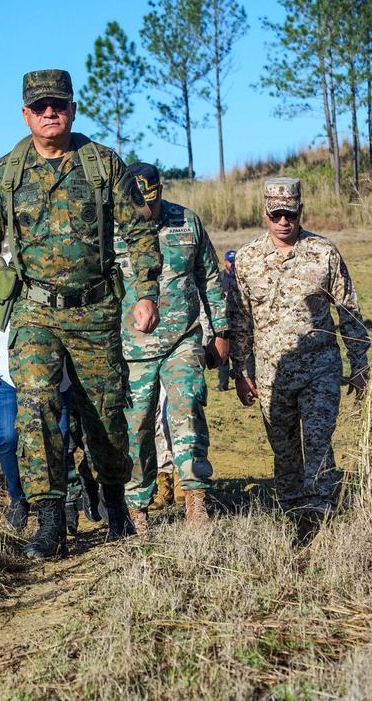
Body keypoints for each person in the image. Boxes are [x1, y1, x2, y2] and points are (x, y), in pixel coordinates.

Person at [0, 69, 161, 560]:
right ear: (26, 114)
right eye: (40, 106)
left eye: (59, 104)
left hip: (95, 310)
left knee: (107, 414)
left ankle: (115, 507)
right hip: (34, 312)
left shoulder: (102, 165)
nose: (50, 112)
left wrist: (146, 293)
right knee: (36, 408)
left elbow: (139, 232)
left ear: (72, 109)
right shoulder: (5, 175)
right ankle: (50, 520)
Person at [227, 177, 369, 519]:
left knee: (319, 441)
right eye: (276, 215)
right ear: (264, 212)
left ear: (300, 210)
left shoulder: (324, 252)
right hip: (271, 374)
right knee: (285, 448)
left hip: (320, 367)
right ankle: (293, 511)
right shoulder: (247, 259)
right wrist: (240, 372)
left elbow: (348, 310)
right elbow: (239, 321)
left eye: (289, 214)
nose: (283, 222)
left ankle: (321, 509)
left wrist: (360, 364)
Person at [116, 163, 228, 532]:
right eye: (138, 202)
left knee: (188, 411)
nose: (146, 208)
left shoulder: (186, 222)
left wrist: (221, 332)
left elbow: (210, 276)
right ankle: (138, 507)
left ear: (160, 190)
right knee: (137, 426)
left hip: (183, 339)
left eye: (151, 199)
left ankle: (196, 500)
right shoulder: (111, 229)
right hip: (131, 348)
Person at [0, 304, 99, 534]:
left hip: (54, 376)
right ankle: (19, 498)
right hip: (6, 374)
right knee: (8, 438)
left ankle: (62, 504)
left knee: (60, 440)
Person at [216, 250, 237, 392]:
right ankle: (223, 384)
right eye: (230, 261)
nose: (232, 264)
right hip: (224, 319)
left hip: (239, 320)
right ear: (225, 262)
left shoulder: (241, 276)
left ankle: (249, 381)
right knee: (223, 353)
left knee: (244, 354)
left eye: (234, 262)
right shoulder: (220, 277)